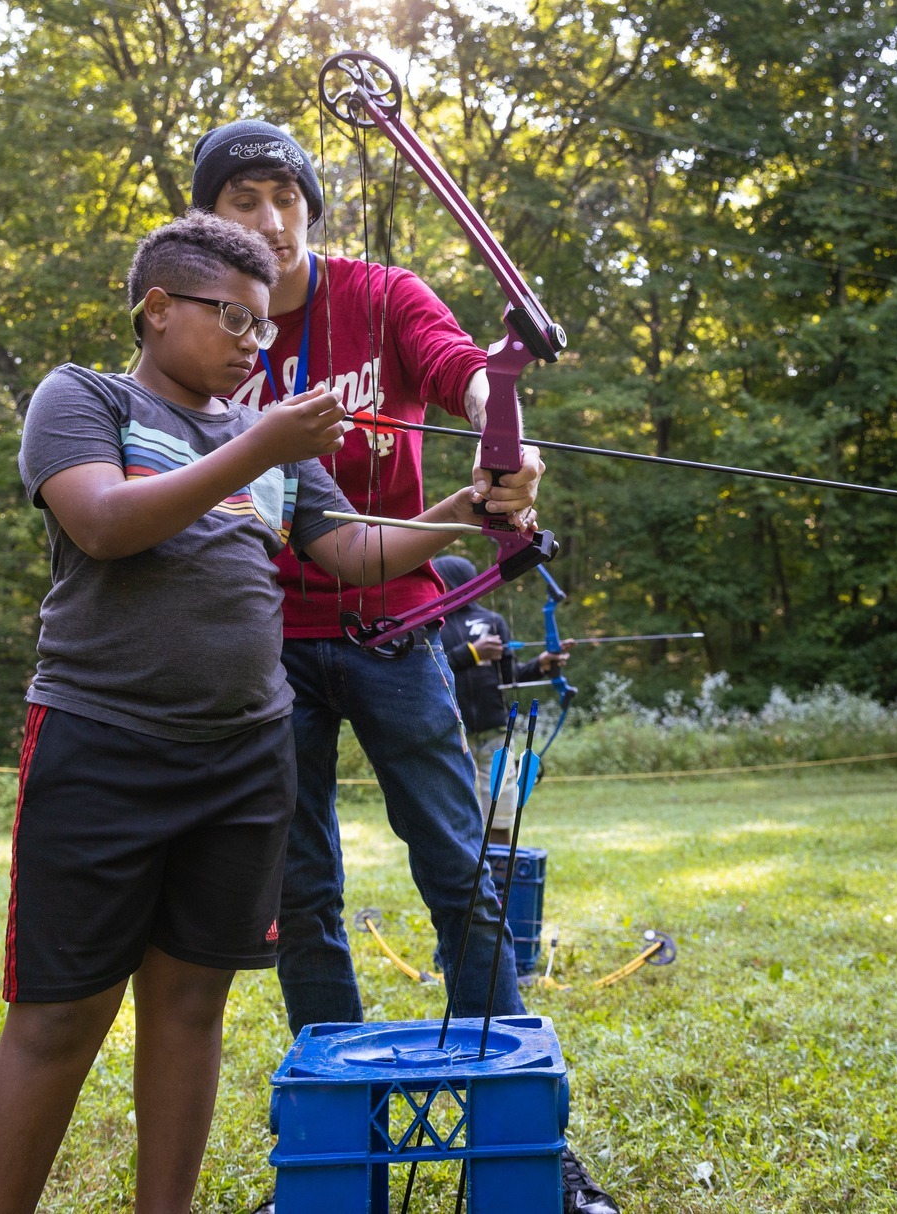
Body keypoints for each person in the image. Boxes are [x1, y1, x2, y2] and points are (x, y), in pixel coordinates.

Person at [0, 212, 497, 1214]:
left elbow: (350, 551)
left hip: (247, 759)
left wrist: (459, 513)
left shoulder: (272, 443)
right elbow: (105, 523)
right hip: (102, 742)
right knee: (61, 1015)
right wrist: (258, 443)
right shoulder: (85, 398)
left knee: (190, 1006)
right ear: (157, 308)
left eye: (265, 325)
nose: (257, 343)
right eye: (235, 320)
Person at [192, 121, 620, 1214]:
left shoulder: (379, 293)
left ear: (311, 208)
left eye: (288, 196)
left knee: (460, 869)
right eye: (243, 199)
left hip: (395, 623)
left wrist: (500, 432)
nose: (272, 220)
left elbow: (462, 368)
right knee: (301, 894)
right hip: (262, 639)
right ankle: (339, 1155)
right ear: (209, 220)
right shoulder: (207, 326)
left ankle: (524, 1142)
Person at [433, 553, 568, 841]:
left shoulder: (491, 621)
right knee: (455, 808)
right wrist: (472, 653)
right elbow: (432, 671)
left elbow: (510, 676)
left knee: (501, 805)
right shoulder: (432, 625)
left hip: (495, 730)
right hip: (452, 731)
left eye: (439, 580)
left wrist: (542, 664)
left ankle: (500, 862)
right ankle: (468, 864)